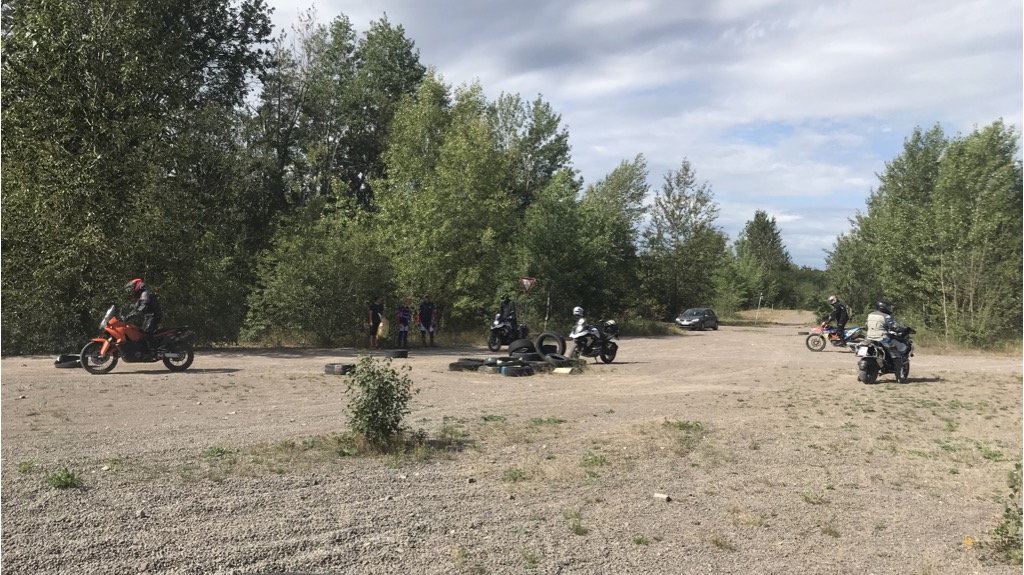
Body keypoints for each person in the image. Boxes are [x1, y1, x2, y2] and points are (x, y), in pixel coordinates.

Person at [865, 299, 907, 383]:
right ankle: (899, 377)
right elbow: (894, 327)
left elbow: (866, 326)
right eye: (888, 307)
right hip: (882, 339)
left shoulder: (870, 315)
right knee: (896, 355)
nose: (889, 309)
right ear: (883, 307)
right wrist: (903, 328)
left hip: (869, 338)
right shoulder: (886, 316)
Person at [124, 278, 163, 351]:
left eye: (133, 286)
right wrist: (126, 316)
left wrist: (133, 314)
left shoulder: (145, 294)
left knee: (147, 332)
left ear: (138, 285)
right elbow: (136, 308)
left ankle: (153, 350)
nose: (131, 289)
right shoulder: (141, 296)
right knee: (140, 333)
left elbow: (144, 306)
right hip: (149, 316)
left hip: (154, 316)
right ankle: (144, 350)